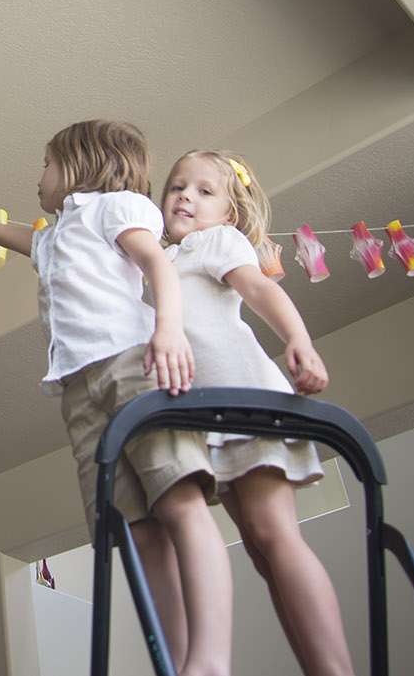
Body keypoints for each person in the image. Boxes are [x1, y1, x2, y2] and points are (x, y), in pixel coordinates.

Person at [0, 119, 233, 676]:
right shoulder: (52, 237)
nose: (38, 177)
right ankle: (179, 662)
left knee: (178, 498)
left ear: (82, 165)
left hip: (132, 364)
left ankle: (210, 656)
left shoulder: (116, 208)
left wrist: (170, 329)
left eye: (46, 163)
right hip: (78, 392)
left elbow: (157, 262)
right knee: (134, 527)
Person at [159, 149, 355, 676]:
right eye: (177, 187)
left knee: (275, 534)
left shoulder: (214, 242)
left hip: (245, 401)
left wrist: (298, 339)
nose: (185, 197)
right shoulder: (161, 260)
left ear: (229, 212)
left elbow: (260, 287)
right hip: (210, 422)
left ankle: (336, 670)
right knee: (259, 552)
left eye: (204, 191)